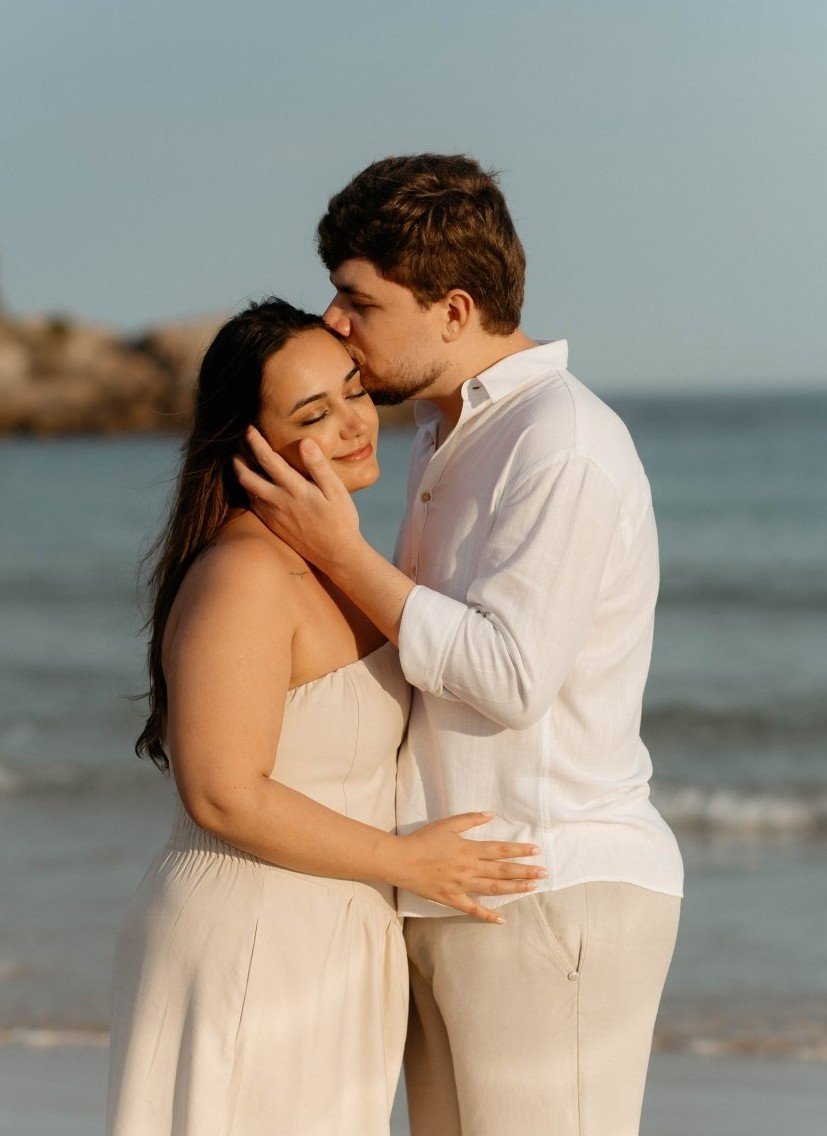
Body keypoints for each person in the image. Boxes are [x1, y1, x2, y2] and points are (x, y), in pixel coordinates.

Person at [234, 155, 686, 1136]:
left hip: (546, 883)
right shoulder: (446, 439)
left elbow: (510, 676)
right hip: (450, 885)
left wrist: (340, 554)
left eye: (359, 300)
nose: (334, 322)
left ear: (451, 309)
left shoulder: (558, 441)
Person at [105, 297, 543, 1136]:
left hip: (332, 938)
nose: (353, 424)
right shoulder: (246, 573)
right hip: (253, 934)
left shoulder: (338, 558)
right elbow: (222, 792)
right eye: (312, 415)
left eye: (353, 391)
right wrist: (409, 862)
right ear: (248, 443)